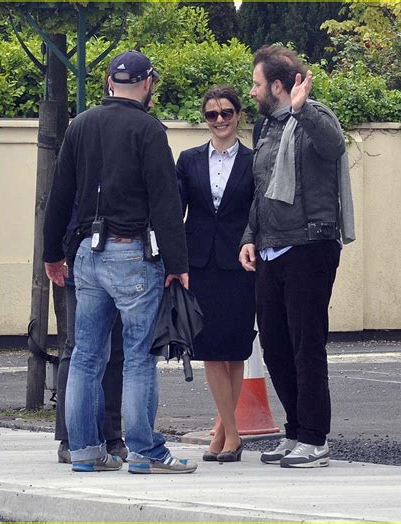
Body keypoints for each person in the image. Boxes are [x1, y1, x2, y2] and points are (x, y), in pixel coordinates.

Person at [43, 50, 197, 474]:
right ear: (148, 84)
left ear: (109, 83)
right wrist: (177, 263)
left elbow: (59, 196)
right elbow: (165, 201)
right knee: (137, 358)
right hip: (132, 254)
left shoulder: (81, 125)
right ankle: (146, 452)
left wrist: (51, 254)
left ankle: (85, 452)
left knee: (86, 356)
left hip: (86, 258)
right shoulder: (148, 130)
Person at [239, 45, 351, 468]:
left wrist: (303, 110)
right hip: (270, 249)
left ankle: (315, 439)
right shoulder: (265, 129)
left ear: (279, 86)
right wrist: (250, 236)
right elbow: (260, 190)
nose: (252, 91)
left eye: (256, 83)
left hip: (310, 247)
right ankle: (294, 431)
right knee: (275, 347)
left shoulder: (315, 118)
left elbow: (334, 145)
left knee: (307, 347)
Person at [176, 86, 255, 463]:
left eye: (226, 112)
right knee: (209, 350)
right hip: (200, 264)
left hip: (241, 263)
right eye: (212, 114)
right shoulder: (188, 160)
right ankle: (232, 434)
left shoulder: (255, 162)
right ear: (204, 118)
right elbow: (176, 211)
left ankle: (225, 434)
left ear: (238, 115)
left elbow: (258, 213)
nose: (220, 120)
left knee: (235, 350)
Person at [55, 74, 127, 465]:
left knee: (93, 349)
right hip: (83, 255)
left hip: (85, 253)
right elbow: (62, 199)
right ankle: (81, 437)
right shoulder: (85, 136)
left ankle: (94, 437)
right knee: (87, 349)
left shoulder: (85, 131)